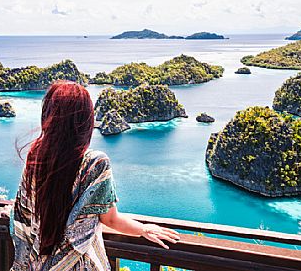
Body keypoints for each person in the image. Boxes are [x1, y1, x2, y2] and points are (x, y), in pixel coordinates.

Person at [9, 81, 179, 271]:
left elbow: (24, 211)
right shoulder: (95, 164)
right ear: (85, 120)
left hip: (40, 264)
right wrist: (143, 229)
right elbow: (110, 219)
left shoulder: (36, 160)